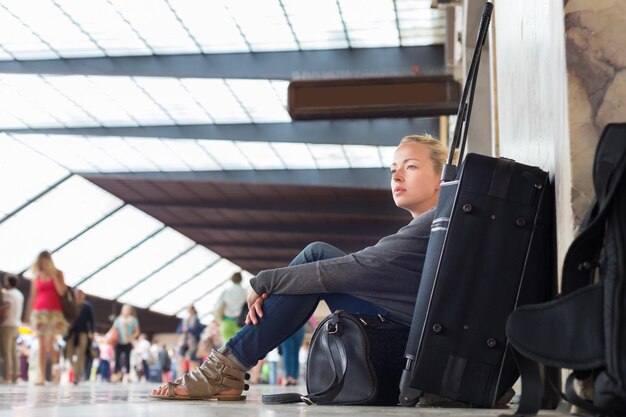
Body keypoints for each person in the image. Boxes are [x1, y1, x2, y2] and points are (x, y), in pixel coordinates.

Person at [151, 134, 446, 400]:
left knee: (316, 257)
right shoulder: (438, 226)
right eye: (393, 168)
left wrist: (266, 281)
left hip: (413, 346)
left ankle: (226, 367)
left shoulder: (433, 222)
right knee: (317, 258)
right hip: (416, 337)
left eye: (410, 166)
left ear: (441, 177)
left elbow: (358, 267)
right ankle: (229, 367)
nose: (396, 175)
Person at [26, 251, 69, 385]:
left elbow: (62, 291)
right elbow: (33, 296)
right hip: (39, 313)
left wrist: (53, 276)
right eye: (41, 262)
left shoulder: (58, 273)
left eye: (45, 262)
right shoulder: (37, 276)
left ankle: (56, 369)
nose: (43, 265)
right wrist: (27, 316)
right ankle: (42, 377)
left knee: (49, 345)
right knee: (41, 345)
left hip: (54, 313)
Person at [65, 289, 95, 385]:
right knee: (68, 353)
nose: (78, 296)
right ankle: (75, 371)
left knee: (80, 354)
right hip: (71, 333)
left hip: (83, 333)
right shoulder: (71, 305)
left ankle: (77, 376)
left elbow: (92, 321)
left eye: (80, 294)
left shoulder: (87, 307)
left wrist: (92, 332)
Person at [1, 274, 24, 384]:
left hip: (8, 325)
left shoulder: (8, 294)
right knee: (14, 352)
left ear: (9, 282)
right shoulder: (20, 294)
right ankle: (16, 375)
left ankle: (7, 376)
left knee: (6, 352)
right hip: (17, 325)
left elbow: (6, 307)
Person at [213, 272, 247, 344]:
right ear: (241, 279)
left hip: (226, 322)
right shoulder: (244, 292)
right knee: (240, 345)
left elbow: (217, 306)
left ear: (231, 279)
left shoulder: (226, 291)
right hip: (240, 323)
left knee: (227, 348)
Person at [109, 304, 140, 383]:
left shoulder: (133, 320)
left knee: (127, 360)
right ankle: (116, 375)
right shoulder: (118, 320)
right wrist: (106, 338)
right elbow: (113, 330)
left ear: (130, 311)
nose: (125, 311)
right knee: (117, 359)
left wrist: (130, 338)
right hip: (118, 342)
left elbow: (137, 332)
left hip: (128, 343)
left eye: (127, 310)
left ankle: (127, 376)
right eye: (124, 309)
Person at [178, 305, 203, 372]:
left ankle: (191, 376)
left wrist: (189, 329)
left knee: (192, 361)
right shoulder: (185, 320)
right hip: (184, 343)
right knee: (181, 359)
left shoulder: (196, 319)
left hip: (193, 343)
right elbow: (179, 330)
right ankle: (181, 376)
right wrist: (183, 330)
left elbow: (199, 331)